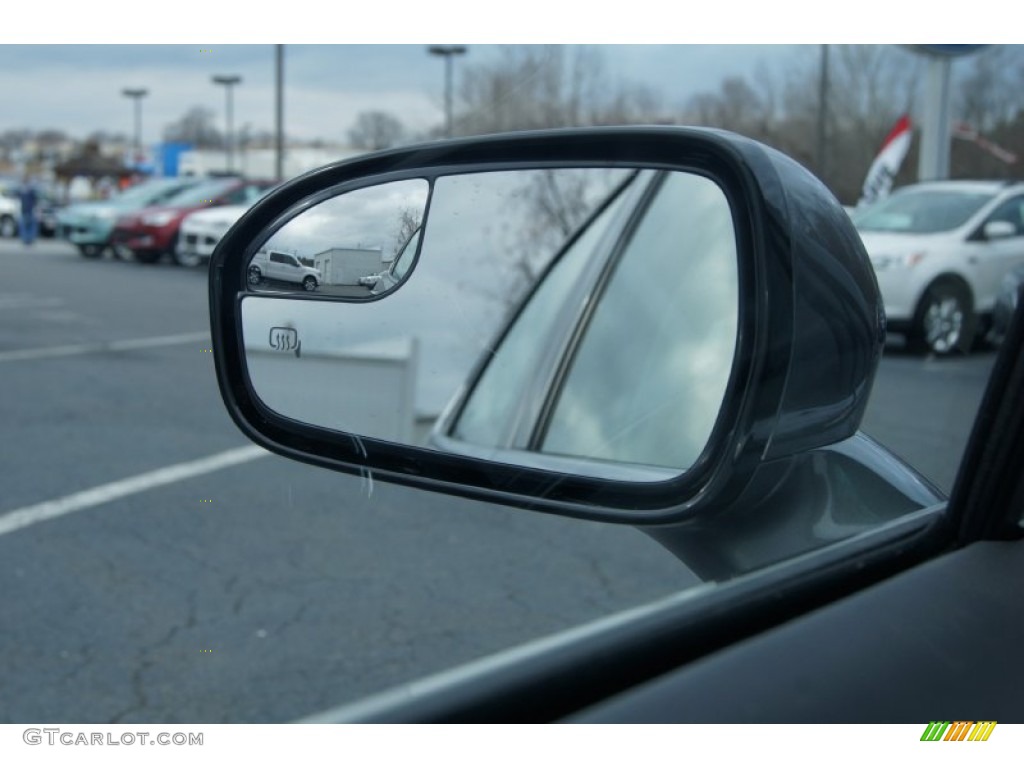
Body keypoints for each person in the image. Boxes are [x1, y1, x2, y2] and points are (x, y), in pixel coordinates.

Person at [17, 175, 39, 246]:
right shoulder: (22, 189)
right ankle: (26, 239)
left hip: (30, 210)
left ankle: (29, 239)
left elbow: (34, 200)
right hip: (24, 210)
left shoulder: (30, 190)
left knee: (30, 226)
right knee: (24, 226)